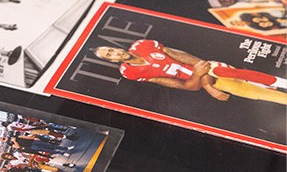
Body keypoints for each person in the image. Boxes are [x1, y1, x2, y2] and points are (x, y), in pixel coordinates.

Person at [93, 40, 287, 104]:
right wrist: (204, 83)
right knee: (256, 94)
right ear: (111, 60)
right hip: (201, 80)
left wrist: (206, 82)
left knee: (232, 72)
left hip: (208, 70)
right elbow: (185, 86)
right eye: (109, 54)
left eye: (111, 48)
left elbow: (187, 58)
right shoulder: (129, 72)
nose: (115, 52)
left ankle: (283, 82)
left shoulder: (142, 45)